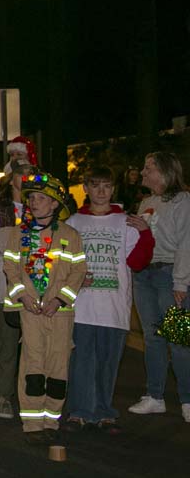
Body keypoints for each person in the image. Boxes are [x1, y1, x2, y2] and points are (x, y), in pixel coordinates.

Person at [0, 171, 87, 445]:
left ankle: (51, 420)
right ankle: (32, 423)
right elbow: (10, 268)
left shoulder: (70, 235)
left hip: (60, 313)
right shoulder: (18, 234)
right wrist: (23, 297)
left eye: (41, 198)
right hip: (30, 311)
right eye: (31, 197)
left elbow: (78, 272)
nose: (34, 202)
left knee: (58, 365)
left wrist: (60, 300)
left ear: (55, 204)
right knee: (32, 364)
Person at [65, 165, 154, 432]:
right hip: (82, 307)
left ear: (113, 189)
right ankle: (79, 411)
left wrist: (146, 234)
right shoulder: (73, 223)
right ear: (86, 188)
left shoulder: (125, 222)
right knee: (81, 361)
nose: (101, 191)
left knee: (107, 362)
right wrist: (77, 278)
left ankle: (104, 411)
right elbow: (63, 263)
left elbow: (138, 262)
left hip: (113, 307)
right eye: (95, 185)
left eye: (106, 186)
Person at [128, 151, 190, 421]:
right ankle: (155, 396)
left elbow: (187, 243)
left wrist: (181, 282)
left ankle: (187, 399)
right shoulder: (146, 203)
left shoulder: (183, 201)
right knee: (152, 337)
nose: (143, 173)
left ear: (165, 172)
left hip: (169, 277)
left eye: (148, 168)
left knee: (179, 340)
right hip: (145, 277)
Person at [0, 160, 33, 420]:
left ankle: (33, 397)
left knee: (36, 344)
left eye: (32, 174)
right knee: (7, 341)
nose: (27, 179)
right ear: (12, 179)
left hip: (38, 284)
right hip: (3, 283)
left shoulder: (45, 205)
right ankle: (4, 395)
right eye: (22, 175)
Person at [0, 136, 38, 229]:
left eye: (19, 154)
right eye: (12, 155)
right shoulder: (1, 182)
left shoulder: (37, 180)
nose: (15, 158)